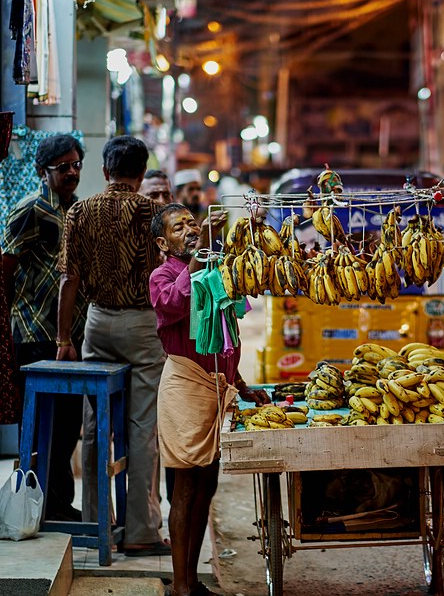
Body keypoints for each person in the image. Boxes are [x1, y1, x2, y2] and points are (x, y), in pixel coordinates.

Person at [56, 135, 170, 557]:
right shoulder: (155, 214)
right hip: (143, 327)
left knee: (94, 425)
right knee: (142, 429)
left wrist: (64, 338)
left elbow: (69, 280)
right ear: (141, 175)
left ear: (104, 171)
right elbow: (170, 275)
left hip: (98, 324)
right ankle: (140, 529)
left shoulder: (81, 211)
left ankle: (93, 522)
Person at [149, 204, 269, 596]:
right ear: (162, 242)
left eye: (191, 223)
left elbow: (224, 338)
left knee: (206, 487)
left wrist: (242, 383)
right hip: (185, 389)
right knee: (185, 487)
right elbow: (175, 304)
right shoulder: (162, 276)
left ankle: (191, 581)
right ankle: (181, 588)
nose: (189, 230)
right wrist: (197, 265)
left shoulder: (215, 271)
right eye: (178, 227)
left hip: (217, 387)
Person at [1, 133, 87, 522]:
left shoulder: (77, 211)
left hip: (68, 336)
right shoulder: (30, 209)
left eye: (75, 165)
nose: (71, 172)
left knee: (68, 425)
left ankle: (57, 504)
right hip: (34, 333)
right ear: (43, 171)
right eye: (62, 167)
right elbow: (4, 265)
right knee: (39, 426)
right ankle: (36, 505)